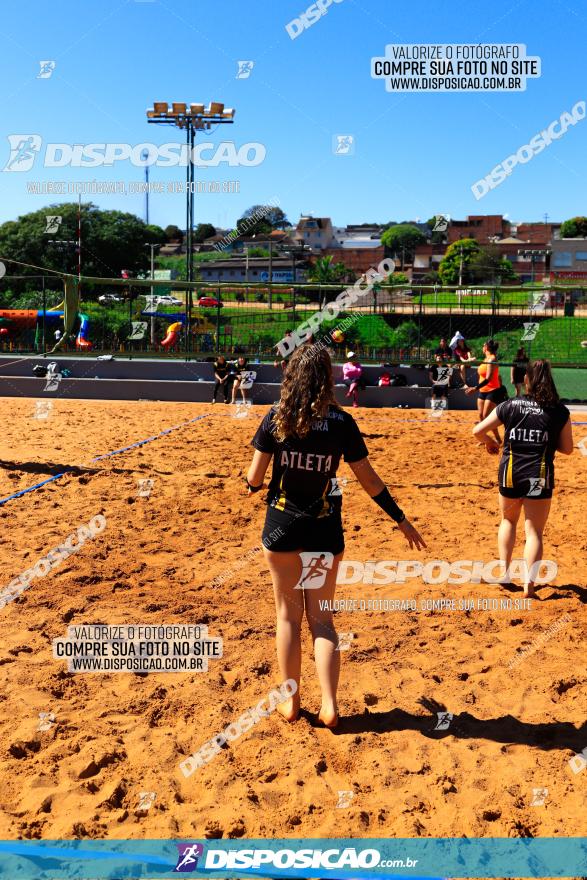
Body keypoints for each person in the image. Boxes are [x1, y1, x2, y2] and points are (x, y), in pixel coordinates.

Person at [246, 346, 425, 728]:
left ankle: (291, 702)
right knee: (323, 621)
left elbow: (255, 478)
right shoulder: (342, 423)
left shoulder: (276, 418)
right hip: (323, 530)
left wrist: (252, 483)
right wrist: (400, 519)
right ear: (328, 378)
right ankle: (329, 704)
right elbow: (370, 480)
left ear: (292, 376)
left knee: (288, 618)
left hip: (282, 526)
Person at [473, 360, 573, 597]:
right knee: (534, 532)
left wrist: (492, 443)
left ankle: (504, 574)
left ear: (526, 379)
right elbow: (568, 448)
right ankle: (529, 584)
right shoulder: (559, 410)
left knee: (508, 522)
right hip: (538, 475)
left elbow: (477, 431)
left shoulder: (510, 405)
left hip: (510, 472)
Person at [465, 339, 506, 444]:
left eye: (484, 345)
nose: (482, 347)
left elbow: (488, 378)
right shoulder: (486, 358)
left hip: (492, 390)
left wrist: (475, 388)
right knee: (481, 416)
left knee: (487, 416)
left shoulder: (492, 359)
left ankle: (497, 439)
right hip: (483, 390)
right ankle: (484, 437)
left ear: (487, 347)